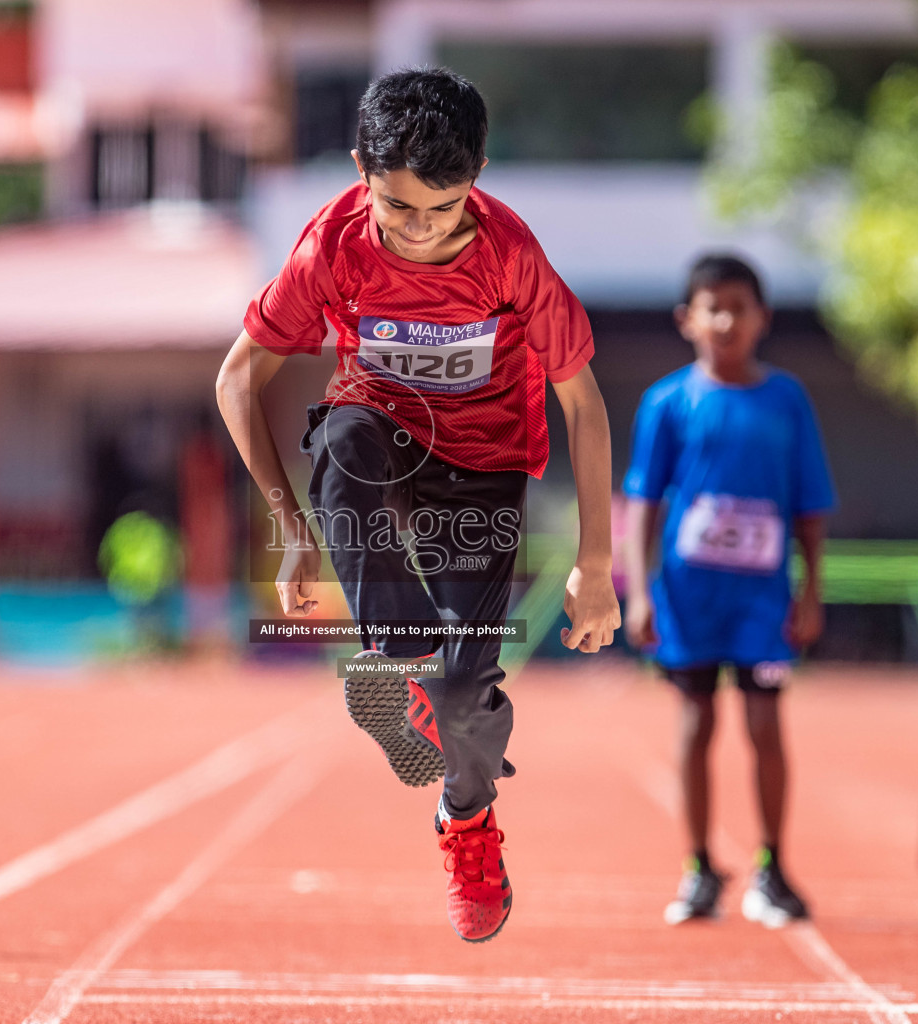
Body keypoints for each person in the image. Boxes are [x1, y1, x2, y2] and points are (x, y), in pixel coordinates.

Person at [214, 67, 619, 943]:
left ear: (478, 173)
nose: (424, 231)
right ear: (363, 169)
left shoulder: (511, 254)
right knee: (349, 437)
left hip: (488, 466)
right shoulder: (333, 247)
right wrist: (292, 534)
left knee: (468, 693)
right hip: (381, 440)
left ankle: (466, 821)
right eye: (399, 208)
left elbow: (583, 402)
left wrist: (596, 567)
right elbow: (238, 376)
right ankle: (398, 657)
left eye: (446, 207)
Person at [621, 254, 834, 928]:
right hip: (688, 597)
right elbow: (643, 502)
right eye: (711, 307)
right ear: (687, 319)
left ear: (762, 318)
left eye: (738, 307)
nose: (725, 320)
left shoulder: (786, 400)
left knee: (766, 724)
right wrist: (637, 591)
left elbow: (809, 504)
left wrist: (810, 591)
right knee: (696, 724)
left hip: (764, 602)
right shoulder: (667, 403)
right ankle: (697, 867)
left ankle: (772, 867)